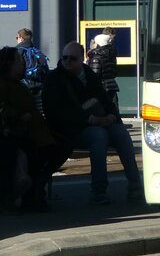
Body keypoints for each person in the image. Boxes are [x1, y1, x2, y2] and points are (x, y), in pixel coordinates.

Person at [42, 41, 142, 205]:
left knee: (120, 133)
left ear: (82, 59)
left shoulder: (89, 74)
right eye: (64, 57)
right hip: (69, 130)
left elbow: (105, 99)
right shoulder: (55, 79)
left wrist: (112, 116)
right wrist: (88, 119)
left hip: (95, 122)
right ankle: (98, 190)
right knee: (99, 135)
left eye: (72, 58)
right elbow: (56, 111)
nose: (67, 61)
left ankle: (135, 186)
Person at [0, 46, 68, 212]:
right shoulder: (5, 85)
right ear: (9, 64)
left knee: (57, 149)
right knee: (28, 154)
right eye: (18, 61)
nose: (22, 64)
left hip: (32, 132)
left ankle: (34, 194)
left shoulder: (18, 85)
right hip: (17, 133)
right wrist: (17, 116)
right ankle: (25, 197)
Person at [14, 27, 49, 110]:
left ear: (21, 38)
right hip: (40, 89)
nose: (17, 40)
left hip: (24, 89)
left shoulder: (18, 52)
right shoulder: (37, 52)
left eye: (17, 38)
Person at [87, 28, 120, 106]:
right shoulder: (112, 54)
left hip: (101, 87)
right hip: (112, 85)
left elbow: (94, 74)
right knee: (113, 108)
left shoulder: (96, 56)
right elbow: (114, 72)